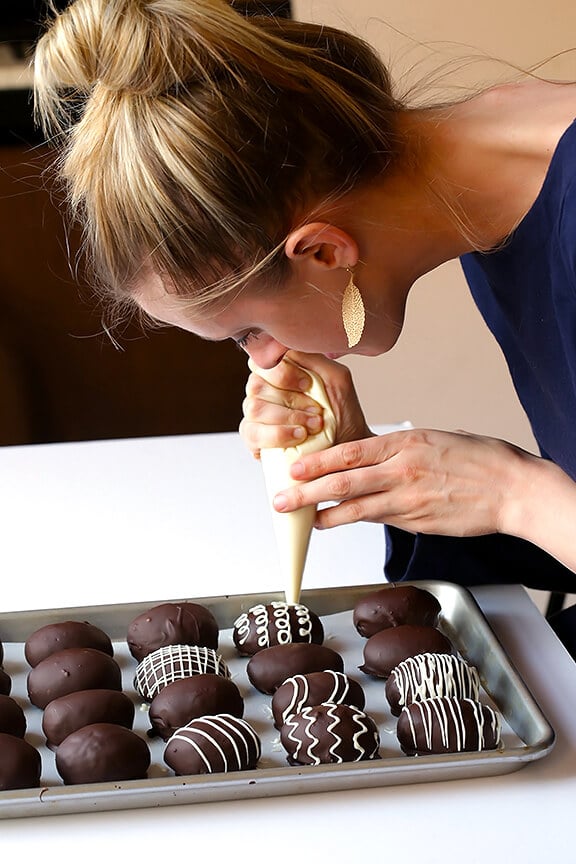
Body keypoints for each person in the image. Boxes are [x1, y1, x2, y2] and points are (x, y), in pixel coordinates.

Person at [34, 0, 576, 652]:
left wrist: (517, 494)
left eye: (246, 332)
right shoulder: (499, 174)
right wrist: (409, 483)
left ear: (322, 252)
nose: (264, 361)